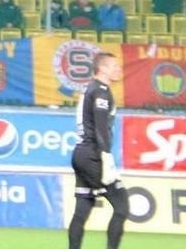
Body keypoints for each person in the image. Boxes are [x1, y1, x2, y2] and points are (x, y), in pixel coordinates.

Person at [67, 52, 128, 249]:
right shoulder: (101, 91)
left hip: (80, 153)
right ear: (102, 68)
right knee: (122, 206)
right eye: (114, 66)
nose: (119, 70)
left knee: (83, 208)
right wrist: (106, 157)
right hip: (93, 154)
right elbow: (101, 127)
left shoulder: (90, 89)